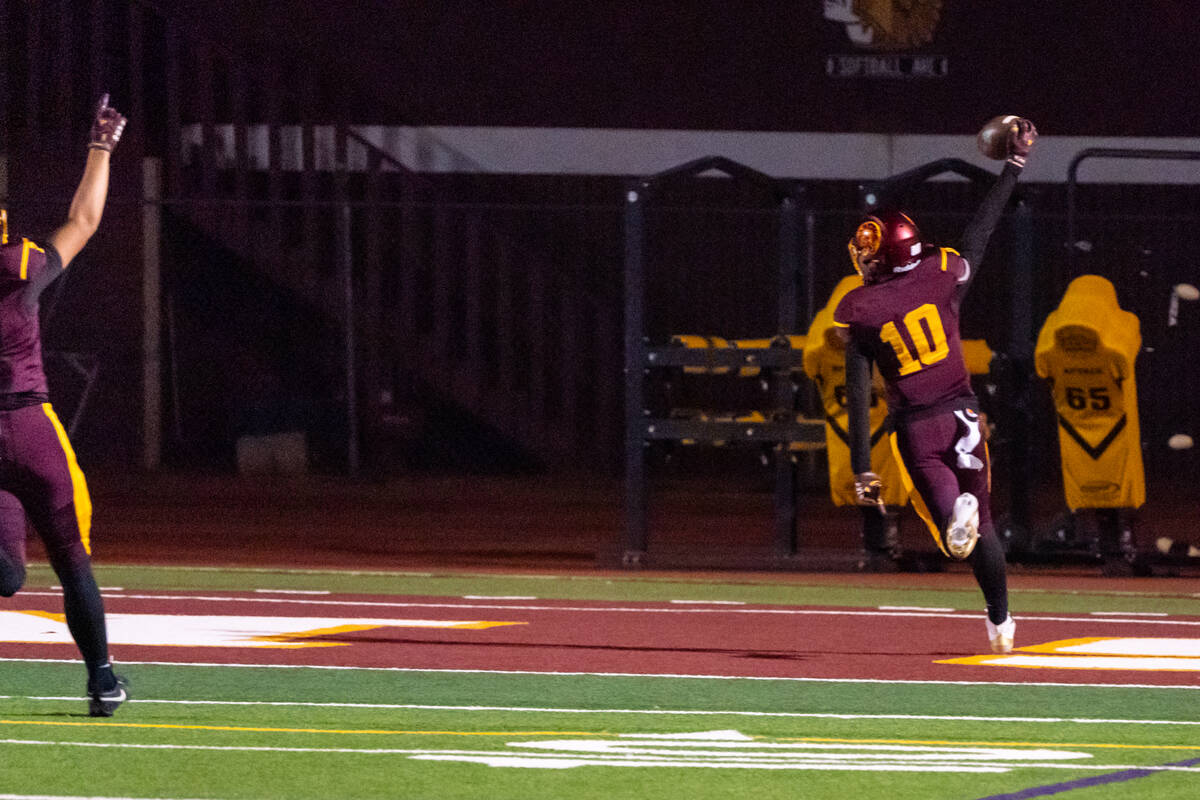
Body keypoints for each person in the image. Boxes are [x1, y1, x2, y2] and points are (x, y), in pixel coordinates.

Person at [833, 117, 1037, 653]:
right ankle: (1000, 620)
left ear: (884, 258)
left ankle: (954, 517)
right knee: (984, 523)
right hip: (965, 414)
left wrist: (862, 465)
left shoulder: (862, 309)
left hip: (917, 427)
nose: (864, 259)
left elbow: (858, 391)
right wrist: (1012, 168)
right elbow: (981, 233)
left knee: (952, 529)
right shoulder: (941, 274)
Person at [0, 94, 129, 715]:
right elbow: (83, 221)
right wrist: (101, 147)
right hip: (30, 427)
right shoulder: (20, 267)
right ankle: (102, 677)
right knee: (71, 553)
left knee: (5, 576)